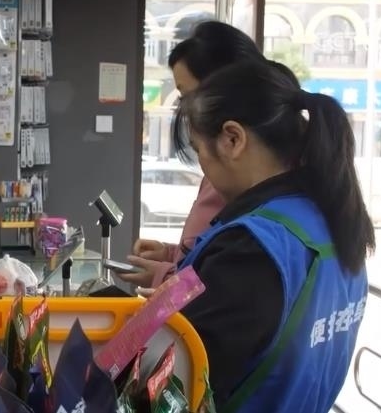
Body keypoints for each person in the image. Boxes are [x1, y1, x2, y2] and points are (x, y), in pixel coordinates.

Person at [173, 59, 375, 412]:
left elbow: (171, 382)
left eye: (198, 148)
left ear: (233, 139)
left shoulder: (251, 250)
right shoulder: (332, 223)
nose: (202, 164)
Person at [120, 21, 289, 289]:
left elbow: (215, 283)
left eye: (187, 96)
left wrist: (166, 279)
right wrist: (171, 255)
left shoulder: (255, 236)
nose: (186, 111)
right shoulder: (273, 209)